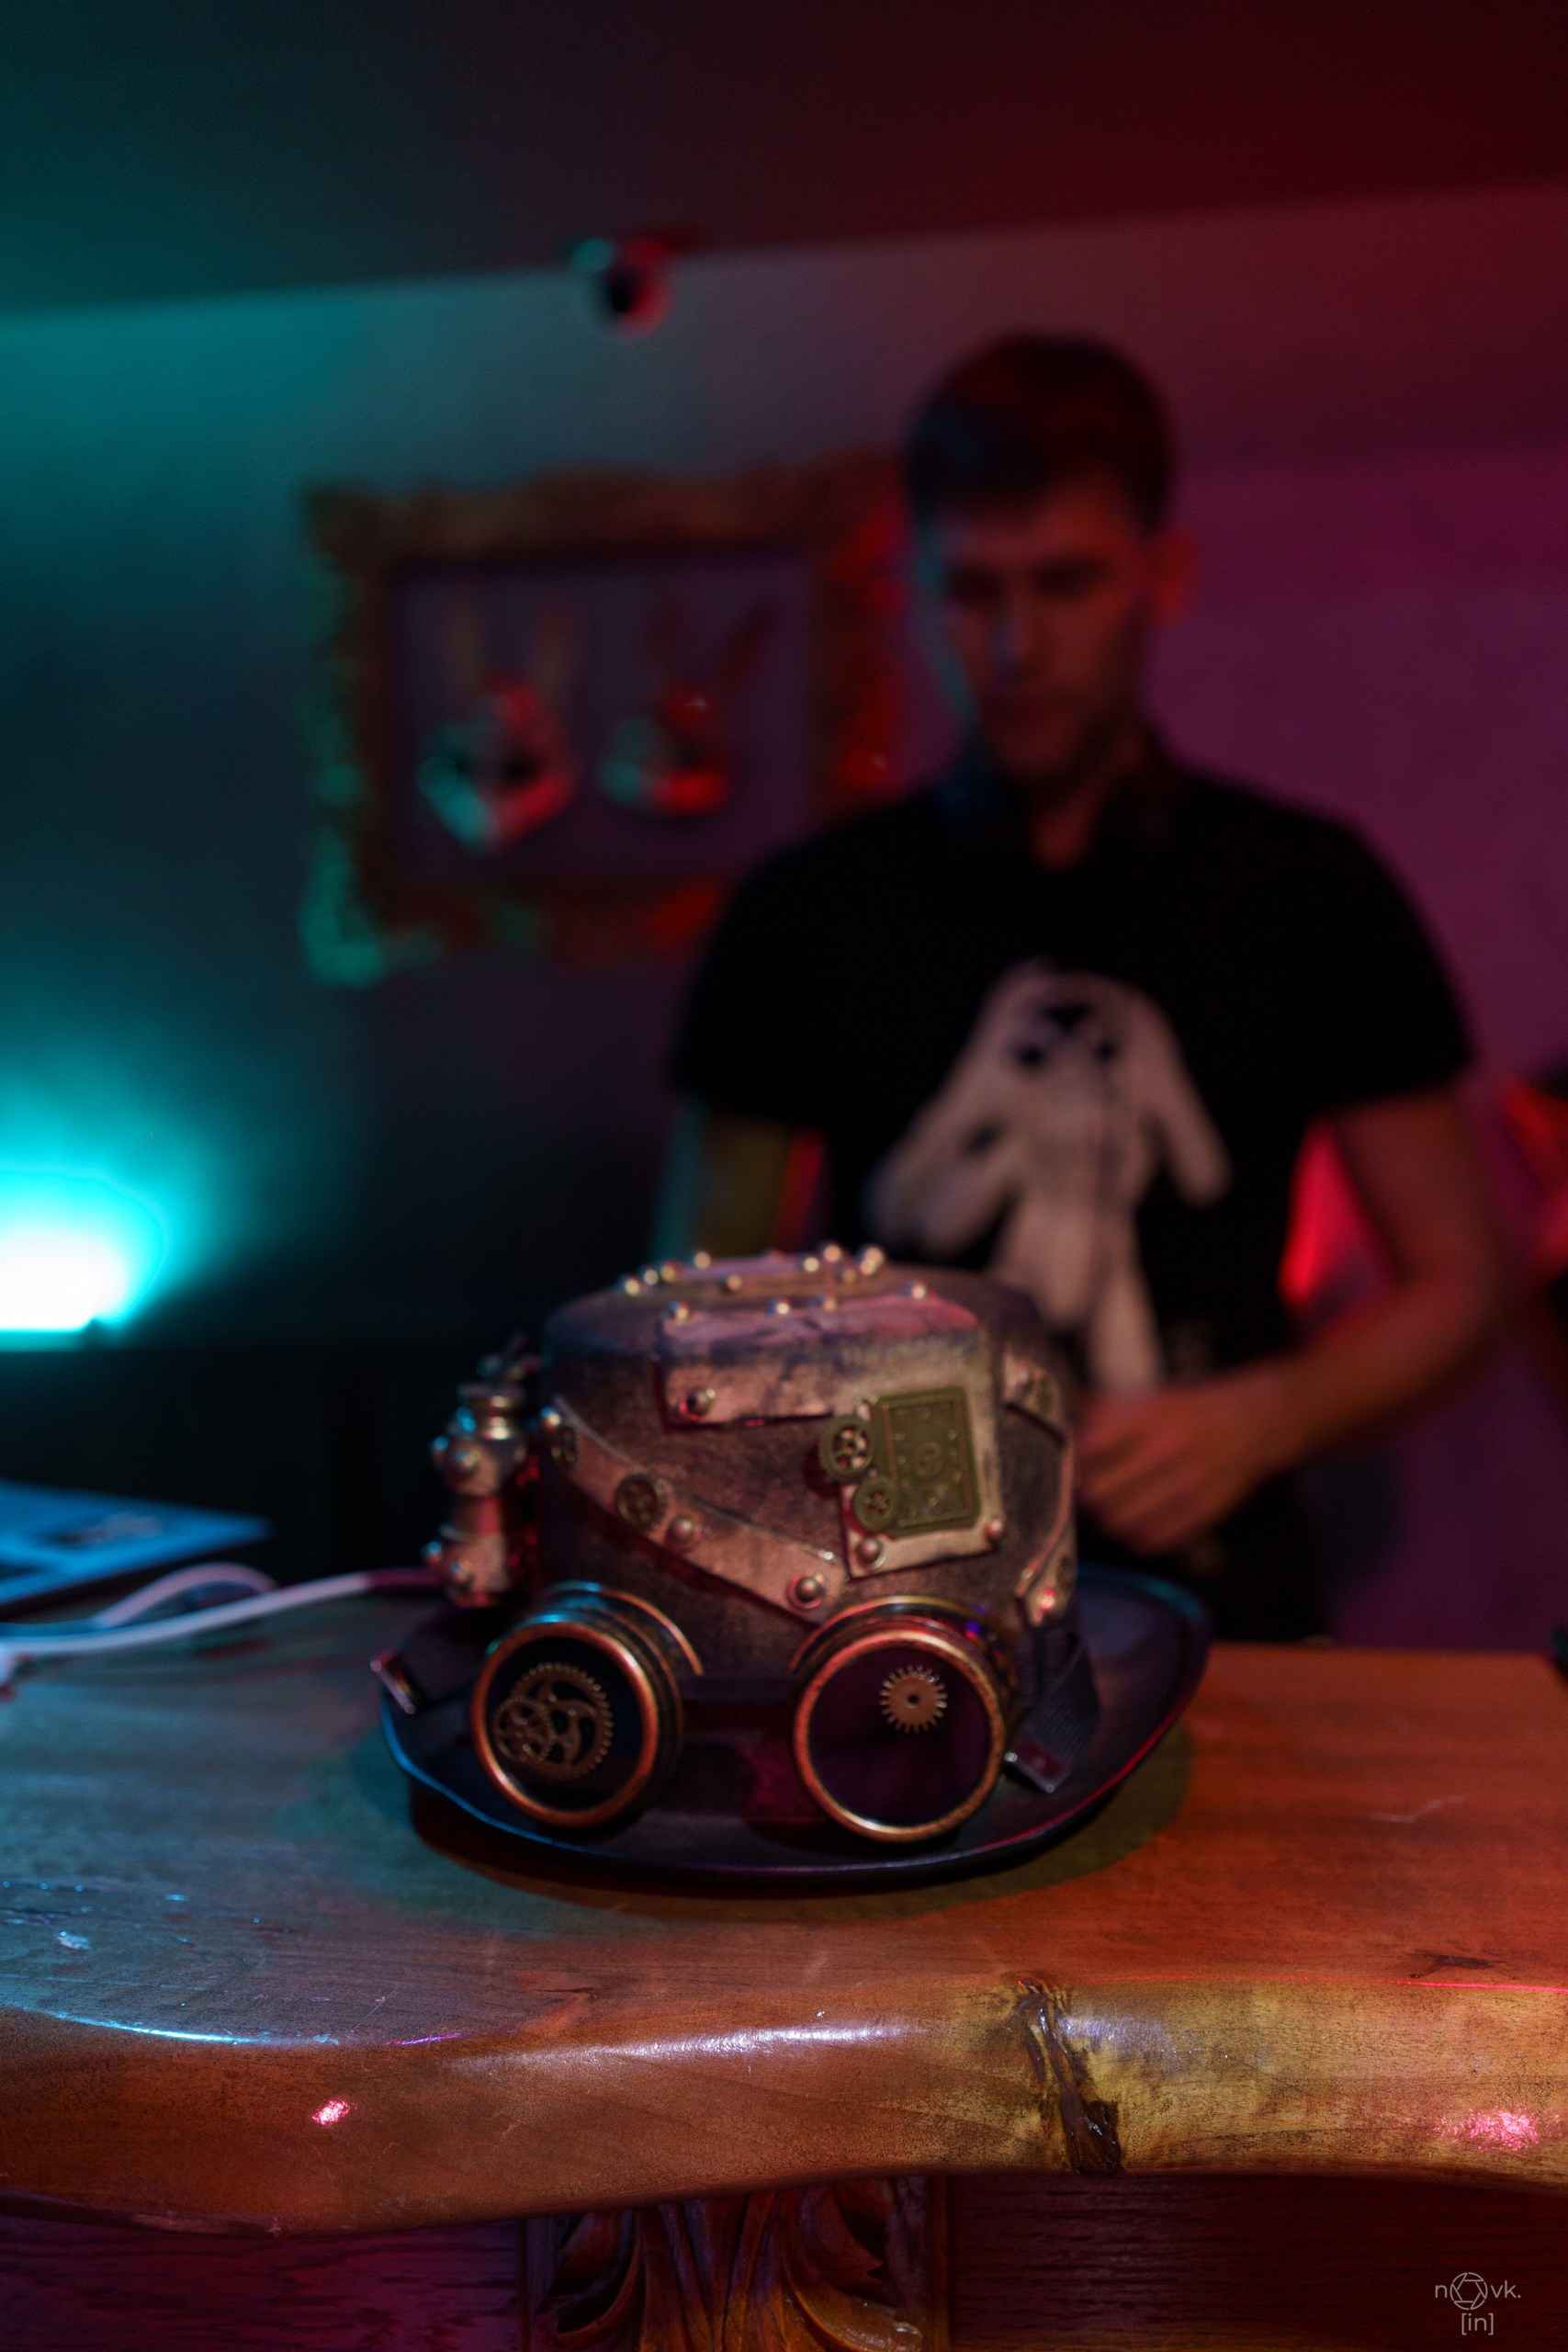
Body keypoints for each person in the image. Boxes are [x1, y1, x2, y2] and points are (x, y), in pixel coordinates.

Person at [659, 336, 1509, 1637]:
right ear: (913, 593)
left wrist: (1258, 1418)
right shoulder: (801, 913)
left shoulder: (1310, 887)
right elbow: (693, 1306)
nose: (1017, 644)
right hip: (889, 1614)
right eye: (972, 591)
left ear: (1162, 578)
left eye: (1067, 583)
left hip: (1223, 1603)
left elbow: (1461, 1277)